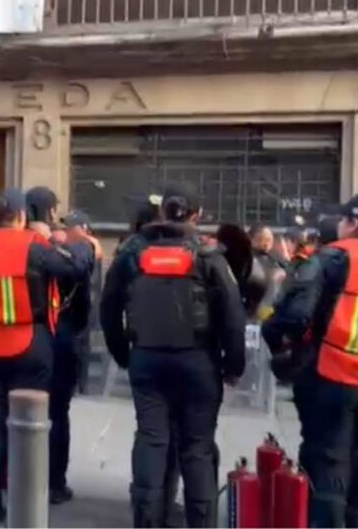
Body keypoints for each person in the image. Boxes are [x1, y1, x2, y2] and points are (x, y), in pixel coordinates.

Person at [101, 184, 246, 528]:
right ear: (197, 216)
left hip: (147, 360)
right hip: (199, 363)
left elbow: (108, 307)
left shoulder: (132, 252)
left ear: (162, 212)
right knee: (197, 447)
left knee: (151, 440)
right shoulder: (209, 255)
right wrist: (233, 366)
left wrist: (123, 353)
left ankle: (148, 521)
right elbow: (233, 316)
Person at [0, 188, 94, 525]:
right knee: (30, 424)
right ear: (21, 216)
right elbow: (74, 268)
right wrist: (80, 242)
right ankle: (28, 498)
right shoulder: (32, 245)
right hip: (27, 342)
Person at [262, 193, 358, 527]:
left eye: (343, 220)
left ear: (354, 223)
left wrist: (277, 339)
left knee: (331, 467)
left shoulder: (337, 257)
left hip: (339, 377)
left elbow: (296, 315)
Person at [49, 209, 102, 504]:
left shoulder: (39, 246)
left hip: (30, 336)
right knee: (56, 413)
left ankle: (15, 475)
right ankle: (54, 482)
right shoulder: (79, 250)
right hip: (63, 334)